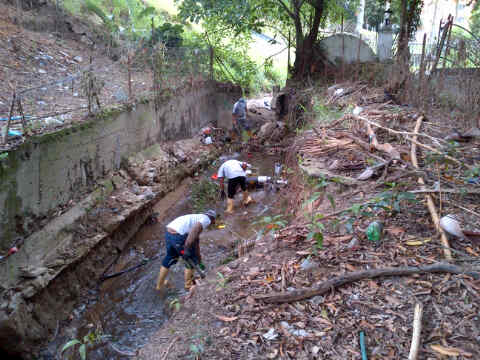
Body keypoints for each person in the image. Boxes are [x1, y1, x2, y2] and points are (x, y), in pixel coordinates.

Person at [156, 210, 216, 292]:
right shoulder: (207, 219)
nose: (211, 224)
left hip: (169, 233)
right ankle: (188, 285)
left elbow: (196, 240)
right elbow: (194, 231)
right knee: (190, 261)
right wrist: (186, 249)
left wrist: (199, 258)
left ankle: (160, 285)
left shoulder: (197, 217)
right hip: (178, 236)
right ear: (213, 219)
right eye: (213, 222)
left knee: (170, 258)